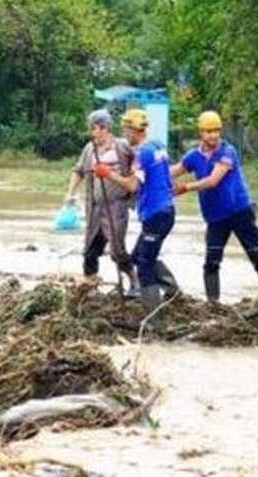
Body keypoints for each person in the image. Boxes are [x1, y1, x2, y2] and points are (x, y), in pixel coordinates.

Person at [172, 110, 258, 303]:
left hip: (240, 212)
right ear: (200, 132)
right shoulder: (193, 156)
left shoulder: (227, 152)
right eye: (208, 131)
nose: (213, 135)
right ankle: (213, 304)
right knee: (211, 262)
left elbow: (212, 181)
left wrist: (186, 187)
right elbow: (173, 171)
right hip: (216, 218)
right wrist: (149, 175)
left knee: (257, 256)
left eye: (216, 131)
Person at [95, 108, 180, 325]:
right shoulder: (159, 146)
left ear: (134, 130)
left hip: (155, 213)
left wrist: (108, 174)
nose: (125, 135)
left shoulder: (142, 154)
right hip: (167, 210)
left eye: (126, 131)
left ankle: (153, 320)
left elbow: (132, 185)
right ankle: (173, 291)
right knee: (139, 255)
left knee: (144, 264)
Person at [65, 109, 137, 295]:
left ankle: (134, 281)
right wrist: (70, 194)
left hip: (116, 206)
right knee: (90, 250)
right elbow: (79, 170)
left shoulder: (122, 147)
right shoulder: (90, 149)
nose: (92, 133)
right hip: (95, 206)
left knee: (117, 250)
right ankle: (90, 286)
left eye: (94, 129)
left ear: (104, 128)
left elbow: (139, 167)